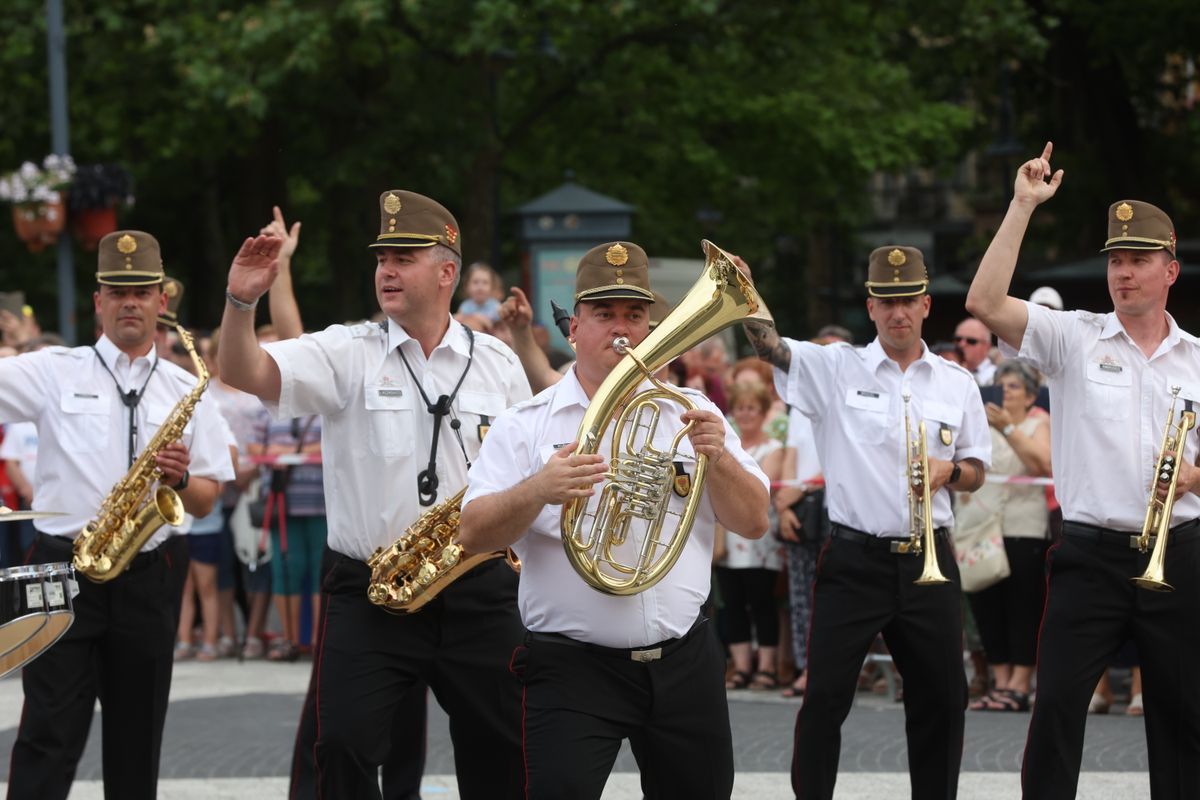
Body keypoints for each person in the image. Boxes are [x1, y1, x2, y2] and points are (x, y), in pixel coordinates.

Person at [219, 190, 529, 799]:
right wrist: (241, 300)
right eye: (382, 257)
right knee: (342, 745)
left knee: (505, 749)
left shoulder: (497, 362)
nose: (386, 269)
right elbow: (242, 371)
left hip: (476, 586)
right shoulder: (348, 350)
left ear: (447, 271)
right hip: (371, 589)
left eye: (403, 257)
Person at [458, 240, 770, 800]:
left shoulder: (692, 412)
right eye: (604, 315)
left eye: (634, 315)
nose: (621, 329)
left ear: (652, 325)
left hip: (684, 662)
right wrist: (538, 490)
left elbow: (753, 522)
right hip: (571, 671)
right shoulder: (524, 424)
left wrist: (717, 457)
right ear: (573, 328)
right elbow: (473, 532)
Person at [965, 141, 1200, 800]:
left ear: (1170, 271)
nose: (1123, 273)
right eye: (1116, 261)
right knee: (1058, 712)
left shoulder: (1198, 359)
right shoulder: (1075, 335)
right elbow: (985, 301)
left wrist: (1192, 479)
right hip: (1090, 556)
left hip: (1179, 555)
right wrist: (1020, 205)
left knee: (1183, 720)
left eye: (1138, 261)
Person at [742, 245, 990, 800]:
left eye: (907, 301)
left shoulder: (958, 383)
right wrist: (745, 293)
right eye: (886, 302)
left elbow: (978, 469)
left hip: (932, 553)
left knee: (944, 702)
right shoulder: (836, 366)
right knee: (825, 699)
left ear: (926, 305)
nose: (897, 312)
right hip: (855, 559)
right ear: (871, 308)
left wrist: (951, 470)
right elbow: (771, 348)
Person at [0, 230, 235, 800]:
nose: (130, 301)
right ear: (98, 301)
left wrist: (179, 478)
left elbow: (208, 496)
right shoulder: (54, 369)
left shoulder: (187, 387)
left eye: (142, 290)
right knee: (47, 731)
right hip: (59, 567)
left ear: (161, 301)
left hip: (147, 572)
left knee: (137, 737)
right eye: (117, 290)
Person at [957, 359, 1052, 713]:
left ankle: (1020, 683)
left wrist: (1010, 429)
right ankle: (1000, 680)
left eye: (1013, 387)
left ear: (1030, 396)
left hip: (1022, 526)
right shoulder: (982, 423)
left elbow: (1043, 464)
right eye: (1001, 386)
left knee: (1023, 605)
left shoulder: (1038, 421)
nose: (1005, 392)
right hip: (980, 526)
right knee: (986, 603)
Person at [716, 381, 785, 691]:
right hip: (726, 539)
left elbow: (762, 487)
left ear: (763, 413)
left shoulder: (773, 449)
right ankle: (742, 666)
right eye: (740, 408)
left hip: (759, 543)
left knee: (762, 603)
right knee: (733, 604)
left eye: (751, 409)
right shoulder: (728, 447)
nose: (745, 415)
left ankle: (767, 666)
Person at [955, 316, 996, 386]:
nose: (962, 344)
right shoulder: (947, 371)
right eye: (958, 339)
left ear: (987, 347)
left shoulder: (997, 375)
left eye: (971, 341)